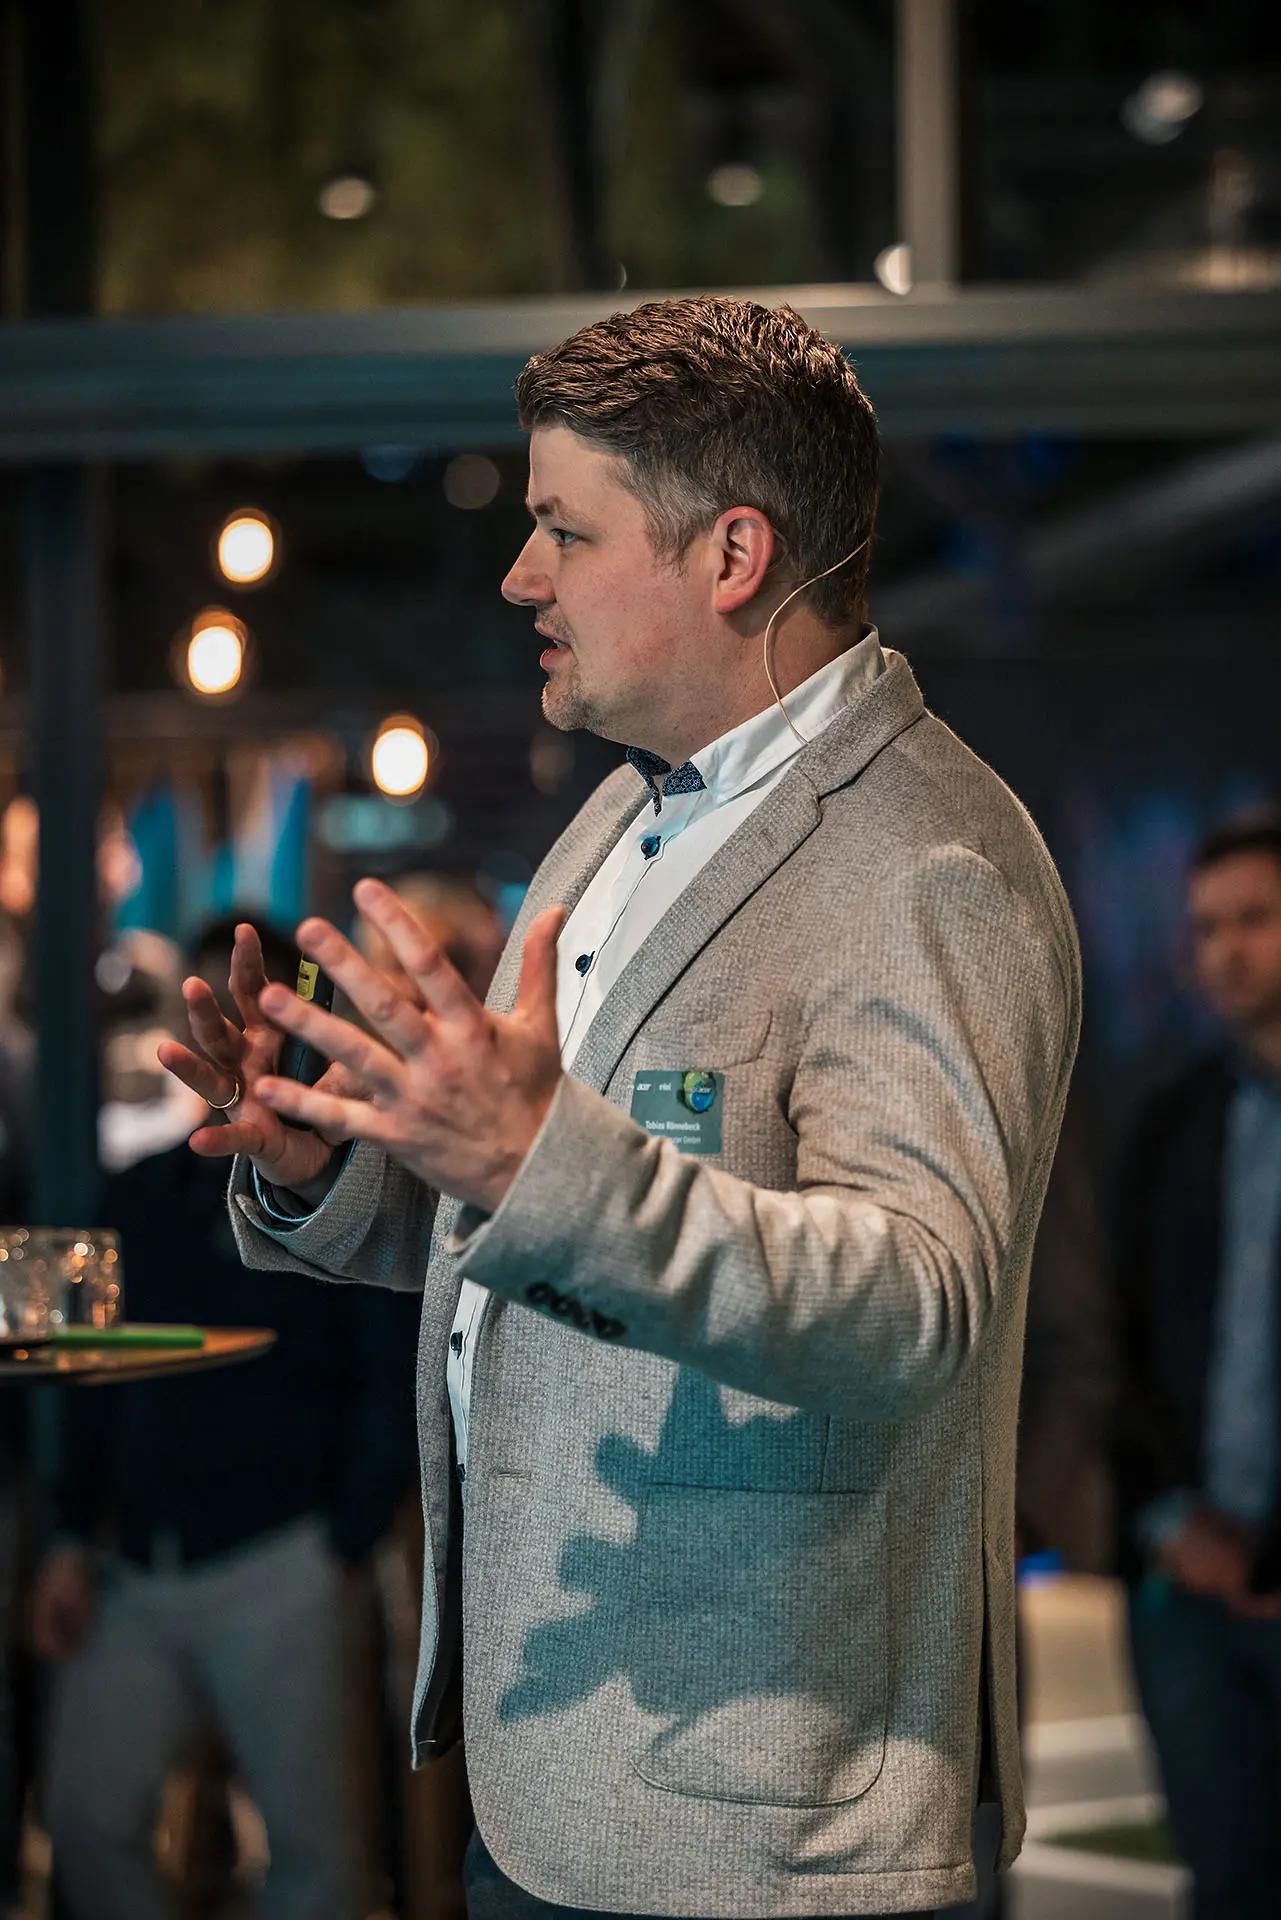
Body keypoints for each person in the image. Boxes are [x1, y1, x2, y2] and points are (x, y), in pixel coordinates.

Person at [163, 296, 1080, 1919]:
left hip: (762, 1825)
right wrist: (339, 1170)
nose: (520, 576)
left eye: (564, 532)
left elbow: (912, 1306)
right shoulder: (615, 819)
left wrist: (540, 1159)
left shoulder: (926, 862)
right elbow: (560, 1239)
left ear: (731, 555)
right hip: (567, 1786)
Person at [31, 917, 420, 1920]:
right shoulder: (133, 1190)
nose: (222, 1037)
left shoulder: (346, 1184)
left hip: (281, 1558)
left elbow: (392, 1373)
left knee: (320, 1856)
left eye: (246, 1010)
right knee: (84, 1819)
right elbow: (78, 1368)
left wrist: (344, 1538)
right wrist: (67, 1536)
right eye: (201, 1007)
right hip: (136, 1562)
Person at [1113, 808, 1281, 1920]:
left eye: (1254, 919)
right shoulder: (1169, 1124)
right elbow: (1119, 1343)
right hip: (1188, 1580)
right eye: (1206, 927)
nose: (1224, 950)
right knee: (1224, 1883)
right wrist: (1176, 1517)